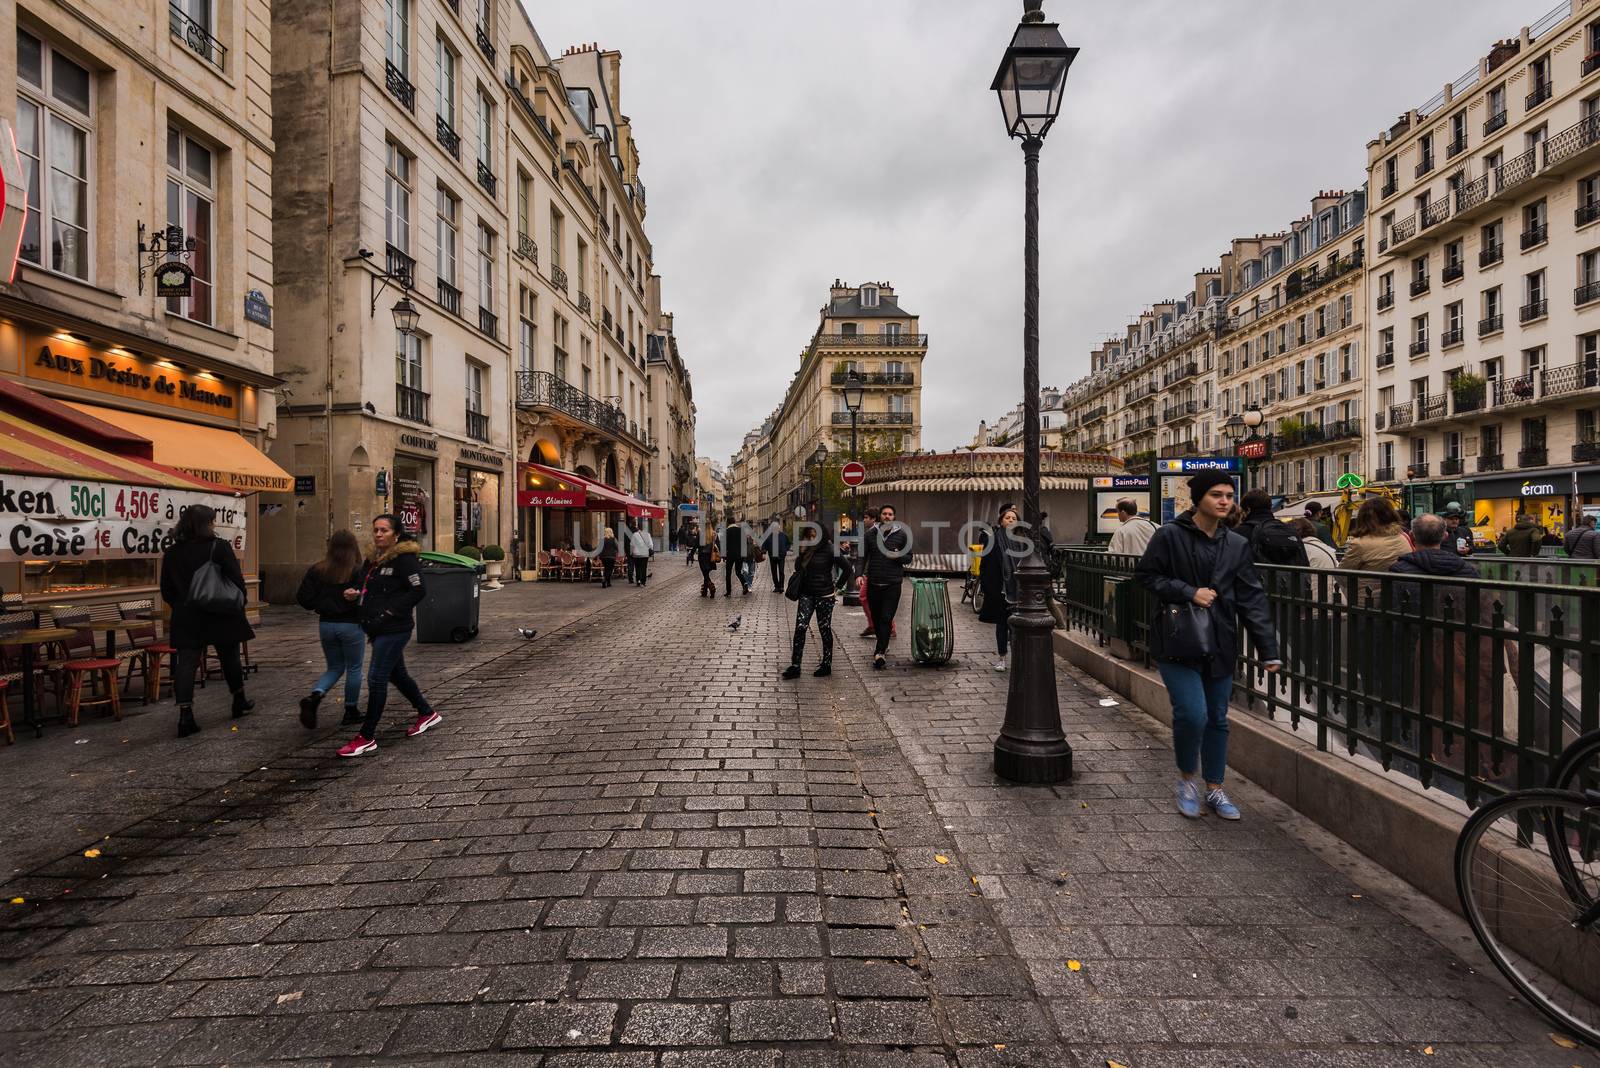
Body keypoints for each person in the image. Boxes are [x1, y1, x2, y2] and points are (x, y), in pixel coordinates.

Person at [1135, 472, 1280, 821]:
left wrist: (1268, 648)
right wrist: (1189, 592)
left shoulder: (1237, 545)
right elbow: (1145, 576)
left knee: (1217, 718)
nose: (1224, 501)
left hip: (1220, 641)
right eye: (1216, 494)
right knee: (1192, 713)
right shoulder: (1169, 535)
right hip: (1179, 639)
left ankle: (1214, 788)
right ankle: (1187, 780)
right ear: (1198, 498)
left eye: (1229, 495)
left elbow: (1252, 598)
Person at [339, 514, 439, 757]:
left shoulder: (405, 560)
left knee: (376, 678)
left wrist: (390, 611)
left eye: (384, 530)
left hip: (394, 628)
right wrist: (355, 594)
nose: (378, 534)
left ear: (396, 534)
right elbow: (367, 586)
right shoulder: (374, 560)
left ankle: (366, 736)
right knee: (397, 674)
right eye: (376, 530)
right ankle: (427, 713)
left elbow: (418, 590)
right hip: (376, 627)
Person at [160, 505, 254, 738]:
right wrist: (239, 599)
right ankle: (238, 698)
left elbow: (166, 590)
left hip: (187, 613)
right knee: (229, 656)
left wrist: (182, 605)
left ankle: (185, 715)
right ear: (205, 524)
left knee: (187, 663)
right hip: (219, 611)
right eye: (212, 522)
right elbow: (235, 578)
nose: (214, 525)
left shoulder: (172, 553)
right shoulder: (218, 547)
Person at [295, 530, 366, 729]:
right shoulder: (357, 571)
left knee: (334, 667)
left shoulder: (318, 570)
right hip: (351, 625)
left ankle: (315, 696)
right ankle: (351, 710)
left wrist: (323, 603)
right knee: (354, 668)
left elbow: (303, 598)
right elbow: (368, 598)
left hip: (326, 624)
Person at [781, 523, 852, 679]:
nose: (812, 538)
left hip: (824, 595)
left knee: (824, 628)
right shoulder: (805, 549)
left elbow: (847, 568)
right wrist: (801, 553)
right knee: (800, 627)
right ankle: (795, 665)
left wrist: (837, 587)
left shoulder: (830, 549)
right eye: (809, 535)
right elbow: (799, 569)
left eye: (815, 535)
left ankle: (826, 664)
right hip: (806, 594)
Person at [1339, 497, 1414, 604]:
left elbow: (1341, 575)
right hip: (1398, 599)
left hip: (1368, 601)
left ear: (1363, 518)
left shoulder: (1360, 544)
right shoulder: (1403, 537)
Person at [865, 503, 910, 670]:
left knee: (886, 617)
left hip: (893, 584)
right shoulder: (870, 535)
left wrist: (897, 555)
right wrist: (858, 575)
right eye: (884, 514)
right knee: (876, 619)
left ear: (894, 517)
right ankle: (882, 641)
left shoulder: (902, 535)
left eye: (890, 514)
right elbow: (863, 556)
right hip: (874, 582)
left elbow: (909, 558)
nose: (887, 517)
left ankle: (880, 652)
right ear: (880, 517)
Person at [978, 504, 1021, 672]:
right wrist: (988, 587)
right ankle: (1002, 658)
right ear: (1001, 521)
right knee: (1002, 624)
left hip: (1019, 590)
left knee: (1017, 626)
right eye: (1007, 518)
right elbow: (986, 564)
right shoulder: (993, 539)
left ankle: (1018, 657)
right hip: (1001, 589)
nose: (1010, 520)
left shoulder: (1023, 541)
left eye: (1014, 518)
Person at [1238, 489, 1309, 568]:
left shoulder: (1240, 533)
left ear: (1248, 510)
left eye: (1242, 511)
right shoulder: (1290, 531)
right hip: (1292, 579)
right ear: (1270, 507)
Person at [722, 520, 750, 596]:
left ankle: (728, 591)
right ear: (735, 522)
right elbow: (746, 543)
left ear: (728, 523)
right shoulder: (741, 531)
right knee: (738, 572)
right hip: (739, 555)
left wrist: (723, 555)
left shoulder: (726, 531)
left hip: (730, 555)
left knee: (728, 573)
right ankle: (745, 584)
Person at [762, 520, 792, 593]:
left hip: (781, 556)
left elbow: (789, 544)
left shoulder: (783, 535)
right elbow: (764, 546)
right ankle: (776, 586)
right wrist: (763, 552)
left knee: (781, 572)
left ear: (779, 527)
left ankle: (781, 587)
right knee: (774, 572)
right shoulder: (769, 537)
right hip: (772, 557)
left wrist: (785, 549)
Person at [627, 519, 652, 587]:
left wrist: (631, 552)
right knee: (644, 568)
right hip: (645, 554)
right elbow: (650, 545)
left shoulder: (635, 535)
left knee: (637, 568)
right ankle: (643, 582)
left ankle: (638, 581)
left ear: (638, 527)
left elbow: (632, 544)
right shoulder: (648, 535)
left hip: (637, 554)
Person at [697, 525, 720, 597]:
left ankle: (710, 588)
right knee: (706, 574)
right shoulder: (714, 534)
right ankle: (705, 591)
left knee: (705, 574)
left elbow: (696, 544)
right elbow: (718, 545)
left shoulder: (701, 533)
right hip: (711, 557)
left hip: (702, 557)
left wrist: (691, 554)